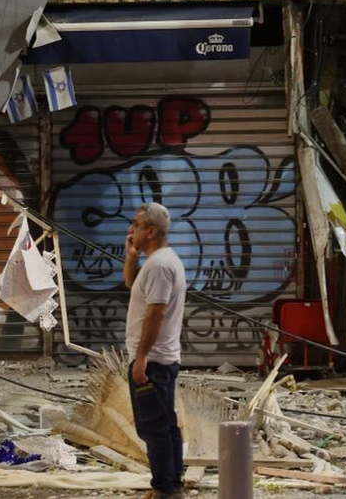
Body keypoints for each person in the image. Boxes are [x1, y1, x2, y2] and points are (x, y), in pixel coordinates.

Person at [124, 202, 187, 499]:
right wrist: (130, 256)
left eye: (135, 226)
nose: (130, 230)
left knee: (154, 428)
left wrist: (141, 358)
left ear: (151, 231)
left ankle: (163, 489)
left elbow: (156, 314)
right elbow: (132, 284)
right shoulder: (157, 262)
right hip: (160, 359)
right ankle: (173, 482)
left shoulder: (161, 265)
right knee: (166, 423)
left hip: (154, 361)